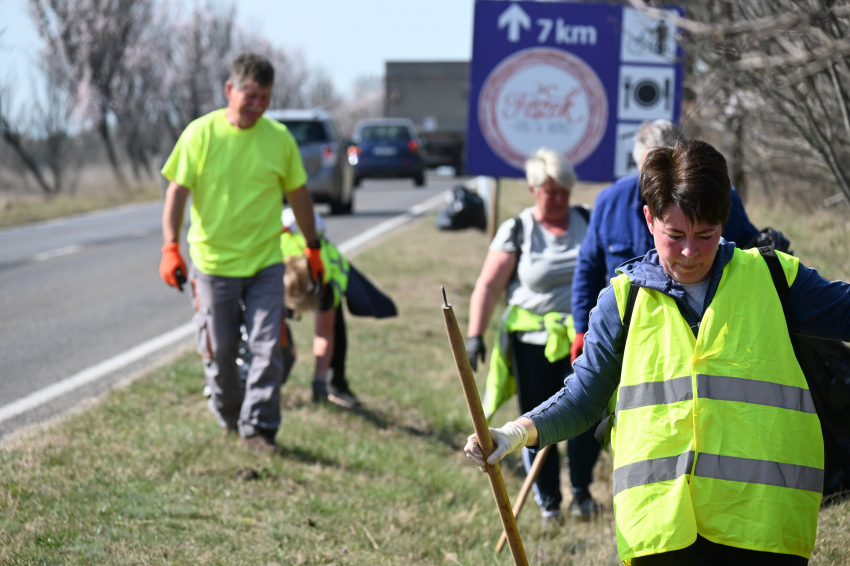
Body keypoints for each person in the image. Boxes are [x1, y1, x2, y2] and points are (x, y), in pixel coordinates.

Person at [465, 138, 850, 565]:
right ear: (649, 219)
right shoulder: (623, 300)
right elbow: (581, 399)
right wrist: (513, 434)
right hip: (661, 530)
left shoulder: (776, 279)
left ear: (724, 221)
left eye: (706, 235)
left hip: (762, 522)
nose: (690, 251)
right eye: (676, 234)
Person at [159, 52, 324, 452]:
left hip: (266, 263)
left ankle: (260, 429)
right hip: (213, 265)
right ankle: (231, 415)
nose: (258, 105)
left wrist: (312, 246)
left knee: (270, 347)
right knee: (222, 349)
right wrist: (170, 247)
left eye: (265, 97)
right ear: (230, 90)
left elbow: (298, 196)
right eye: (250, 95)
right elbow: (176, 193)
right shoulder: (201, 134)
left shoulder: (278, 139)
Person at [464, 148, 595, 521]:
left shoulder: (587, 220)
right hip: (531, 342)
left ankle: (583, 491)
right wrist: (475, 335)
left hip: (582, 339)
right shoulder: (518, 229)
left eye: (564, 191)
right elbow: (488, 286)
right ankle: (549, 501)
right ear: (533, 189)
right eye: (550, 191)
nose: (559, 199)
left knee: (588, 416)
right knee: (537, 422)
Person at [570, 120, 759, 365]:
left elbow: (750, 257)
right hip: (626, 337)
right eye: (650, 169)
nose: (657, 180)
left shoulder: (717, 198)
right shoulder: (610, 202)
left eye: (703, 234)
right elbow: (589, 267)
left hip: (706, 340)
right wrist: (580, 327)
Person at [280, 208, 398, 409]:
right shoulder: (273, 264)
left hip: (320, 274)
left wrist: (319, 381)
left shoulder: (328, 279)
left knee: (336, 330)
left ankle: (335, 383)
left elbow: (324, 334)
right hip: (281, 263)